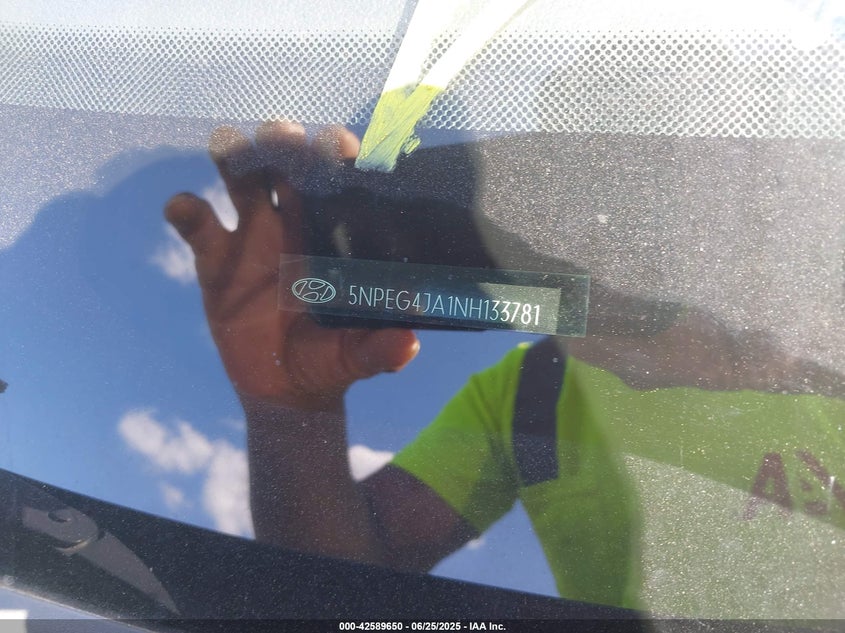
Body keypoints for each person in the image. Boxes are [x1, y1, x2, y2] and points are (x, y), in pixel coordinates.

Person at [165, 120, 845, 617]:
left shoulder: (820, 346)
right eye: (557, 180)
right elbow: (338, 594)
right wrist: (287, 412)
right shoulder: (525, 396)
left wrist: (781, 359)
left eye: (635, 179)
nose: (594, 223)